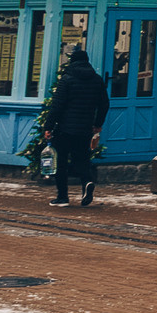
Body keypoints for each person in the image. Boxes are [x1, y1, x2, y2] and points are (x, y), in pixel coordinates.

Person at [43, 45, 111, 207]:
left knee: (61, 162)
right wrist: (97, 124)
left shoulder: (67, 79)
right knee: (82, 159)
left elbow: (57, 106)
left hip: (65, 129)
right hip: (84, 128)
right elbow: (104, 104)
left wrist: (48, 126)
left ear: (72, 62)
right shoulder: (97, 80)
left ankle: (62, 197)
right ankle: (87, 182)